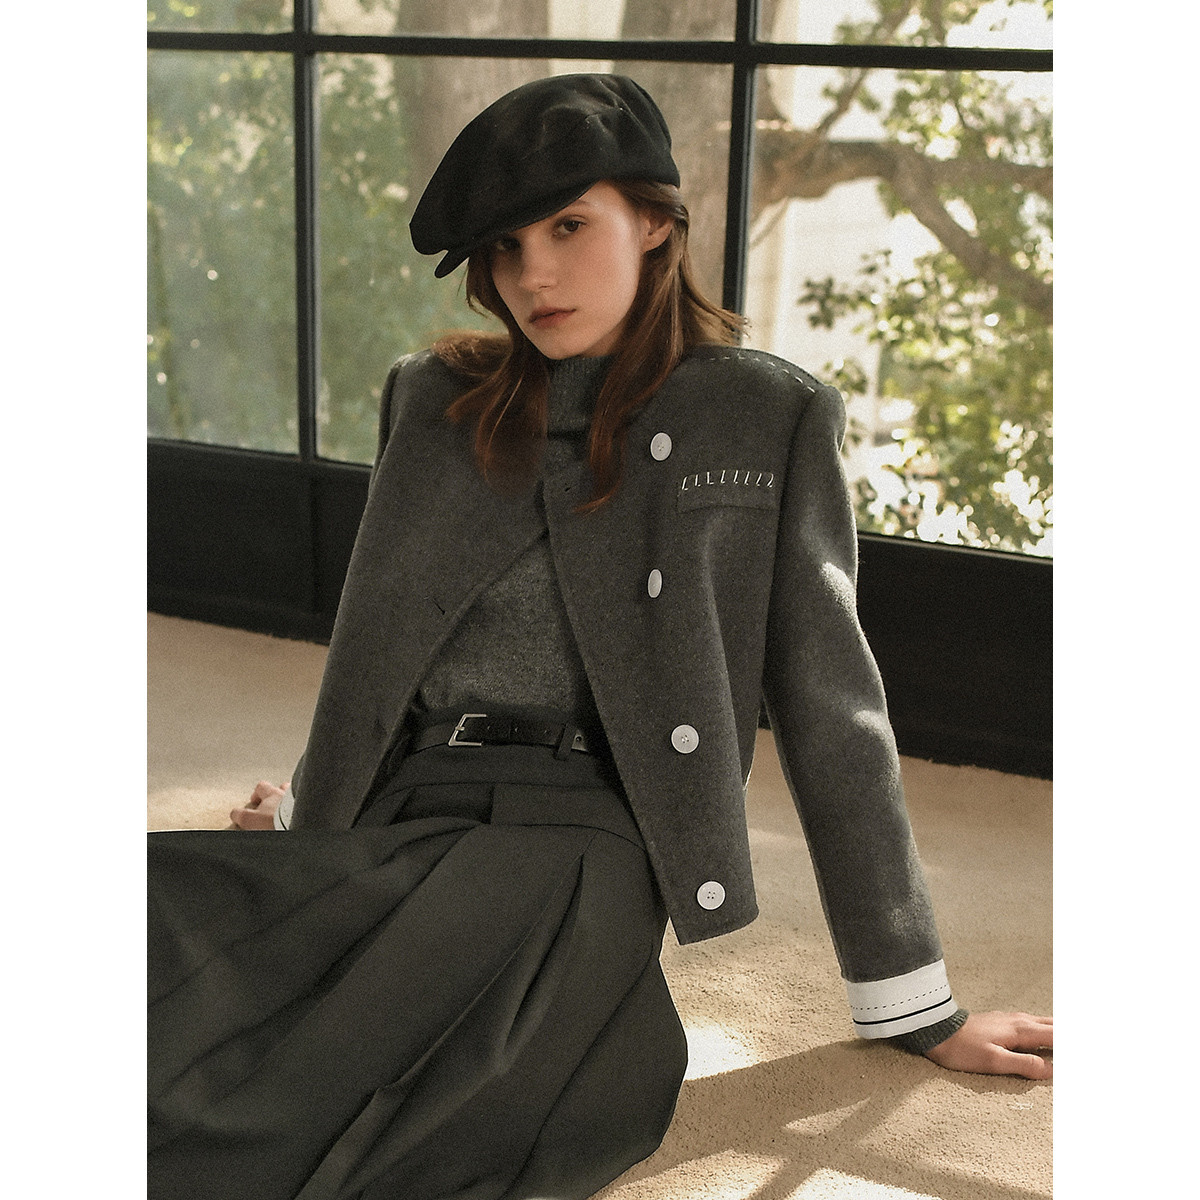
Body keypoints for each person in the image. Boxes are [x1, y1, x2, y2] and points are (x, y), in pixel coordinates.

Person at [149, 73, 1051, 1200]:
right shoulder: (432, 400)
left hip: (589, 835)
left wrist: (918, 1002)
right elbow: (379, 655)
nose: (533, 275)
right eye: (506, 247)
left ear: (656, 221)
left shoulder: (766, 414)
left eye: (569, 227)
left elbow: (834, 710)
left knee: (371, 1073)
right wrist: (305, 817)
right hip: (415, 797)